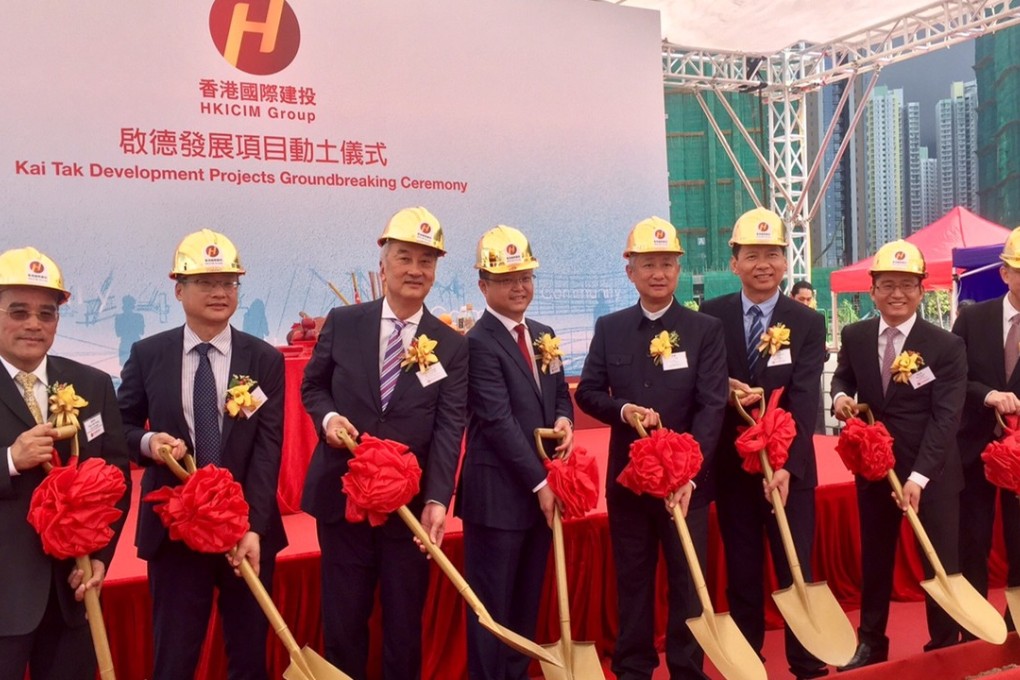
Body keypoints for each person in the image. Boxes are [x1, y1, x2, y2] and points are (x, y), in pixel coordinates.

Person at [301, 207, 468, 680]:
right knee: (344, 621)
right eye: (404, 257)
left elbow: (449, 426)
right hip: (343, 497)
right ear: (383, 263)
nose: (415, 270)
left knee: (403, 625)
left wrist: (437, 497)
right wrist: (329, 418)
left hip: (408, 509)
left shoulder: (451, 346)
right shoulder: (344, 321)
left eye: (427, 261)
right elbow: (313, 387)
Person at [118, 229, 286, 680]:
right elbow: (121, 426)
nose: (219, 293)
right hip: (175, 529)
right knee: (174, 656)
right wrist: (150, 444)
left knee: (250, 656)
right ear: (178, 290)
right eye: (206, 283)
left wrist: (254, 526)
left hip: (244, 532)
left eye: (229, 283)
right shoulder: (148, 354)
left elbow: (269, 448)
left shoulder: (264, 359)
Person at [576, 217, 728, 679]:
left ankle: (687, 668)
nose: (658, 273)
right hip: (629, 485)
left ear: (679, 270)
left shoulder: (705, 330)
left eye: (667, 264)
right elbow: (587, 393)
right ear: (631, 272)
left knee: (687, 582)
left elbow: (712, 404)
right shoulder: (610, 327)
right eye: (648, 265)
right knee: (633, 580)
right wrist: (622, 411)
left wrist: (690, 475)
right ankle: (633, 668)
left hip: (687, 487)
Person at [699, 207, 827, 680]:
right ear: (734, 262)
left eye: (773, 254)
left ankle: (807, 660)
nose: (764, 264)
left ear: (785, 260)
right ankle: (748, 663)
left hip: (789, 471)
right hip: (735, 469)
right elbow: (704, 386)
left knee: (797, 568)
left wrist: (788, 464)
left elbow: (805, 394)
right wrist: (726, 389)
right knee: (744, 570)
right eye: (752, 255)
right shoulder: (710, 317)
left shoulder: (807, 322)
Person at [832, 239, 966, 668]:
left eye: (907, 285)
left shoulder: (945, 346)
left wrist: (919, 478)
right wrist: (838, 399)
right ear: (872, 290)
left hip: (933, 476)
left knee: (939, 561)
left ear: (922, 291)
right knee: (876, 558)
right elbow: (842, 379)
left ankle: (944, 643)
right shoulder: (854, 336)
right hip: (874, 471)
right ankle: (871, 641)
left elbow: (945, 420)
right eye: (887, 285)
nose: (897, 294)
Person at [0, 247, 130, 680]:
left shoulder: (91, 383)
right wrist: (9, 461)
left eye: (47, 313)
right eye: (18, 311)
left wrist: (100, 558)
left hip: (73, 592)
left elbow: (116, 479)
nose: (34, 324)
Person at [454, 225, 574, 680]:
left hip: (541, 493)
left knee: (526, 599)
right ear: (484, 285)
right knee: (493, 607)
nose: (519, 286)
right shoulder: (477, 343)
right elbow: (497, 421)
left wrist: (564, 420)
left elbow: (560, 392)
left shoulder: (544, 333)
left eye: (525, 276)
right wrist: (541, 482)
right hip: (499, 496)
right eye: (506, 279)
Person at [952, 226, 1020, 633]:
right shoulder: (973, 318)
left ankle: (1015, 627)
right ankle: (975, 628)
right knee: (972, 540)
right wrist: (988, 395)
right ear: (1005, 273)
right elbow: (953, 377)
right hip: (973, 448)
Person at [114, 294, 144, 367]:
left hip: (126, 343)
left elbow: (118, 333)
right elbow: (141, 331)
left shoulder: (118, 318)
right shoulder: (138, 317)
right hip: (134, 343)